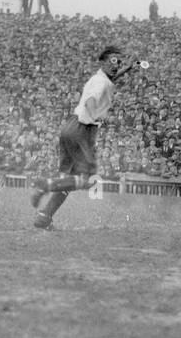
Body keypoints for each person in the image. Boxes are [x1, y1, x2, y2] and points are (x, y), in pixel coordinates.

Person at [29, 45, 142, 230]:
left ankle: (44, 216)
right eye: (114, 61)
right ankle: (44, 185)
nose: (117, 65)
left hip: (70, 127)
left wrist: (129, 67)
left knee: (67, 180)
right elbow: (91, 101)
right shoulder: (100, 83)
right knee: (87, 179)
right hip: (82, 129)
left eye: (119, 62)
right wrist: (96, 117)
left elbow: (112, 77)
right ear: (103, 62)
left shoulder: (101, 78)